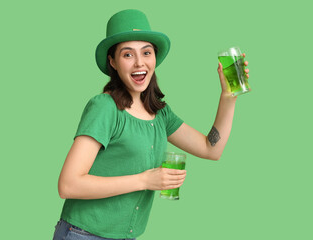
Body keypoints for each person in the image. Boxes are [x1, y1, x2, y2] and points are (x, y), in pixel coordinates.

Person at [53, 9, 249, 240]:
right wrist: (145, 180)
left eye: (146, 52)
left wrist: (228, 96)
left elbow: (211, 148)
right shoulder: (104, 107)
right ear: (113, 62)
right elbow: (68, 184)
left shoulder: (160, 113)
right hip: (83, 234)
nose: (140, 63)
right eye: (127, 55)